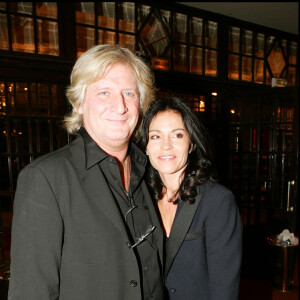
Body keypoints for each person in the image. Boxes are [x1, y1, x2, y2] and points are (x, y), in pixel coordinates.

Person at [8, 45, 166, 300]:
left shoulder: (149, 172)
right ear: (79, 103)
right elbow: (31, 292)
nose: (120, 106)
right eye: (104, 92)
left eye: (129, 93)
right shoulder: (46, 178)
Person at [138, 97, 243, 300]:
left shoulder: (217, 200)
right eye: (156, 136)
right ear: (146, 147)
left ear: (191, 143)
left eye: (177, 135)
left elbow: (225, 287)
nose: (166, 146)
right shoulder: (141, 197)